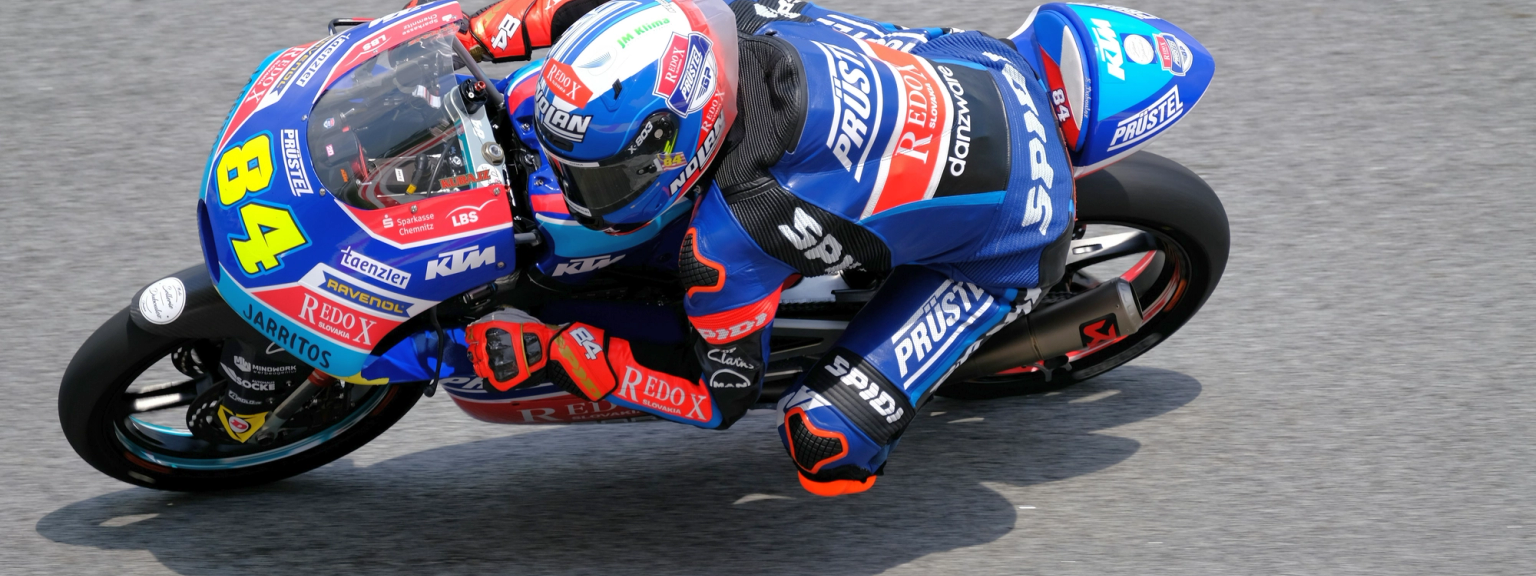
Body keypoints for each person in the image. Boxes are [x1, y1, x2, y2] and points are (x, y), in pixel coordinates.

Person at [448, 0, 1075, 496]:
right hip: (982, 63)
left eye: (600, 178)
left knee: (825, 445)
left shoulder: (738, 230)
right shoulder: (715, 19)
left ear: (680, 147)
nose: (571, 189)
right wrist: (478, 31)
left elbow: (720, 396)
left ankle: (962, 317)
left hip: (1019, 222)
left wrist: (575, 356)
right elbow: (602, 13)